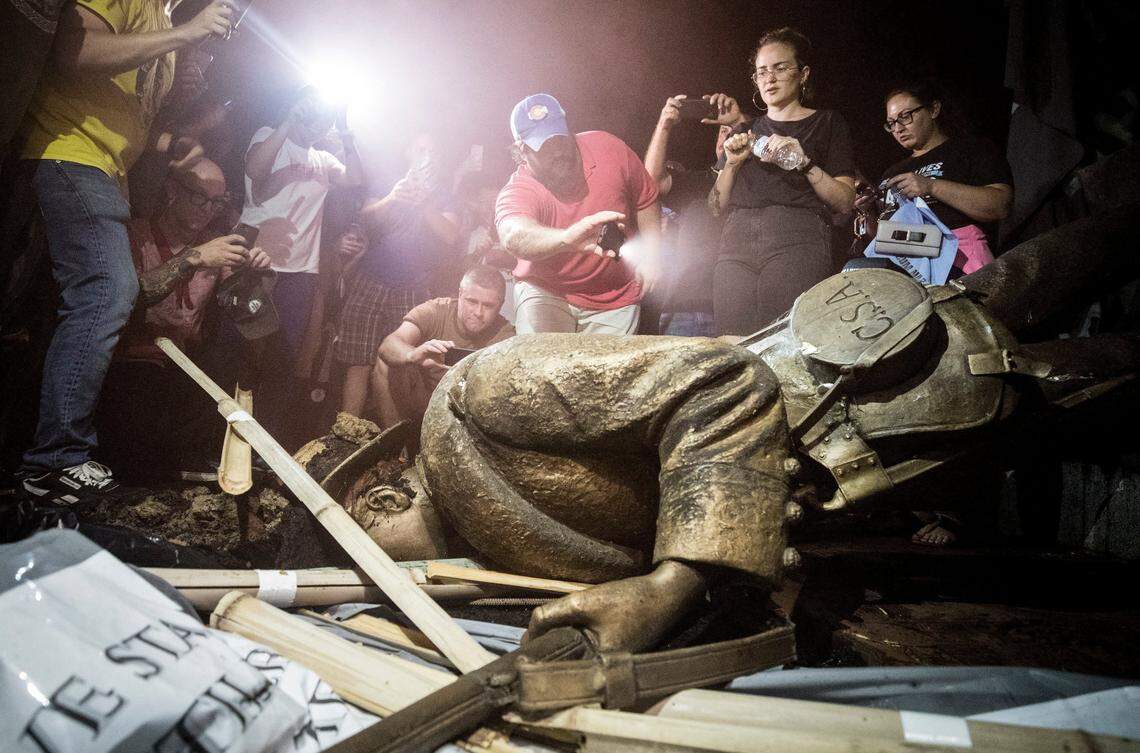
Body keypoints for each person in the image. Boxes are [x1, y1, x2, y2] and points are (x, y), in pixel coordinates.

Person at [16, 0, 237, 504]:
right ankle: (55, 459)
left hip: (104, 168)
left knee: (61, 308)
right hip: (69, 151)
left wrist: (166, 141)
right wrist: (186, 35)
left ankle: (44, 462)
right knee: (109, 288)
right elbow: (76, 50)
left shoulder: (161, 19)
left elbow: (114, 103)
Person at [97, 159, 269, 480]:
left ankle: (197, 457)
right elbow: (131, 298)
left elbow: (252, 322)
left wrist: (252, 277)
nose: (208, 209)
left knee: (233, 358)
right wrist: (194, 258)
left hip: (183, 366)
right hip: (129, 364)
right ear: (173, 190)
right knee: (142, 425)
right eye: (199, 197)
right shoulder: (135, 235)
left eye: (217, 202)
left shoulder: (216, 246)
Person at [708, 27, 857, 336]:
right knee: (732, 344)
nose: (769, 78)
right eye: (761, 71)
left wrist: (803, 162)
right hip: (735, 242)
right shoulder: (743, 130)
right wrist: (732, 165)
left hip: (797, 237)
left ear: (803, 74)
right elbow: (714, 207)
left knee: (781, 341)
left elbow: (845, 201)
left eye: (780, 68)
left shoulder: (827, 123)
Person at [495, 93, 662, 335]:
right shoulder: (519, 188)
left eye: (560, 139)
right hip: (546, 291)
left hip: (614, 296)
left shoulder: (609, 148)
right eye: (544, 145)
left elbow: (646, 198)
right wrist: (567, 238)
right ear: (523, 150)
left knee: (608, 372)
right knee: (542, 368)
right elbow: (513, 235)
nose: (557, 152)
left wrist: (653, 255)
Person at [337, 133, 460, 419]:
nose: (426, 156)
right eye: (420, 149)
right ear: (408, 152)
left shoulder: (443, 195)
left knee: (400, 364)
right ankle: (344, 438)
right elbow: (365, 217)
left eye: (432, 151)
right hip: (370, 280)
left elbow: (451, 234)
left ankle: (393, 444)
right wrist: (393, 197)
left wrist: (426, 204)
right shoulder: (389, 183)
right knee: (357, 362)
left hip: (412, 287)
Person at [238, 86, 363, 359]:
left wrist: (344, 131)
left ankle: (271, 402)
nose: (320, 125)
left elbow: (355, 179)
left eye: (326, 120)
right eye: (318, 115)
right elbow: (254, 169)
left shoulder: (323, 159)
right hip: (257, 261)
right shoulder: (268, 136)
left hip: (301, 271)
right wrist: (289, 120)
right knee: (241, 348)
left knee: (283, 352)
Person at [875, 79, 1014, 278]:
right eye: (891, 123)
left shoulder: (971, 150)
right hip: (905, 270)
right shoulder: (891, 172)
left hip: (959, 264)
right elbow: (883, 233)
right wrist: (865, 212)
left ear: (933, 109)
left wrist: (930, 186)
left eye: (905, 117)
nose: (898, 128)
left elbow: (1000, 204)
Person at [372, 265, 514, 430]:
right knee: (387, 363)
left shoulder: (505, 334)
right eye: (472, 301)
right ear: (460, 294)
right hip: (423, 397)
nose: (478, 312)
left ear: (500, 305)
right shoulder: (436, 310)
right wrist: (413, 354)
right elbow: (388, 345)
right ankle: (397, 444)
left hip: (466, 409)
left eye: (488, 306)